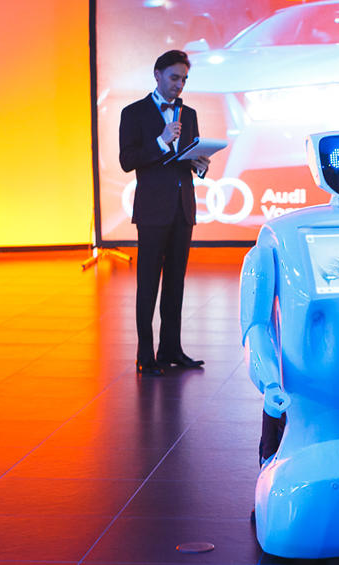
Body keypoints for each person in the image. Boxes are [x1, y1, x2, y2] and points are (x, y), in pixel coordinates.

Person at [119, 49, 210, 376]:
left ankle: (171, 349)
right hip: (152, 210)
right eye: (174, 77)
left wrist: (200, 164)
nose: (179, 85)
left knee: (175, 283)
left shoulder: (190, 113)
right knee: (147, 284)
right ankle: (145, 354)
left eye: (184, 79)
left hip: (183, 208)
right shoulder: (134, 113)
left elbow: (187, 158)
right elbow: (127, 160)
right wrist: (160, 141)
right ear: (157, 74)